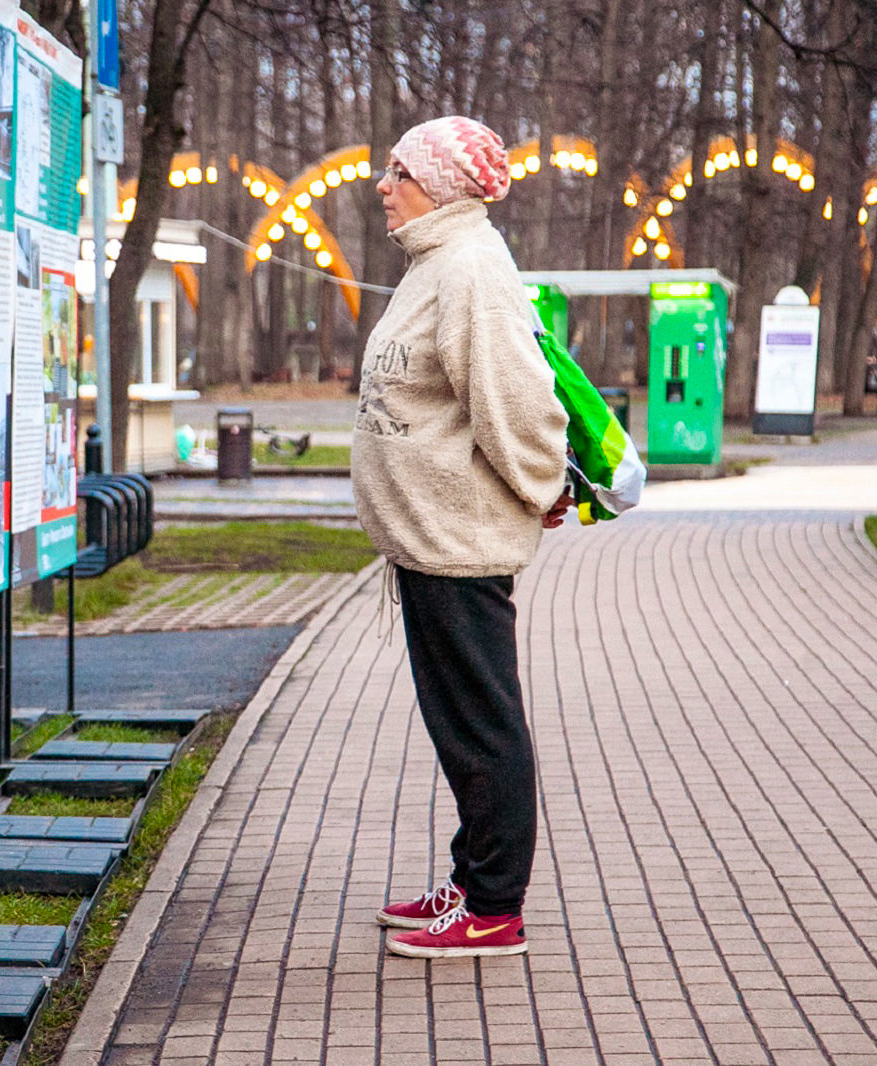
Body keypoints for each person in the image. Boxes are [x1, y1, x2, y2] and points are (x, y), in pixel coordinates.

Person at [354, 116, 570, 960]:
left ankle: (493, 908)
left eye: (398, 170)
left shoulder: (472, 270)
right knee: (461, 728)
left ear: (439, 184)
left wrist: (541, 486)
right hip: (427, 540)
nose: (383, 183)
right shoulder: (434, 263)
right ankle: (472, 876)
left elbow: (515, 398)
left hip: (459, 542)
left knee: (482, 728)